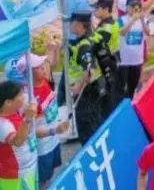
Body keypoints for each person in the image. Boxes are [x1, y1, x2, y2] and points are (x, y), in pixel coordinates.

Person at [24, 54, 67, 188]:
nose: (43, 67)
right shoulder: (28, 97)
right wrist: (54, 130)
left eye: (42, 64)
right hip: (42, 148)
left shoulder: (44, 81)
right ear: (28, 73)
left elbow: (52, 62)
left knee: (50, 176)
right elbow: (30, 130)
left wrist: (54, 49)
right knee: (43, 181)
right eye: (37, 67)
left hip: (53, 140)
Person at [66, 11, 105, 144]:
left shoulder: (84, 45)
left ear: (78, 25)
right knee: (95, 119)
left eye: (71, 23)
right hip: (97, 85)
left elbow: (88, 70)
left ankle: (90, 149)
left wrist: (77, 87)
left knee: (86, 124)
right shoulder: (93, 36)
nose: (69, 26)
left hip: (86, 90)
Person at [0, 80, 38, 190]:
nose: (24, 97)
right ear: (8, 102)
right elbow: (17, 141)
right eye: (20, 95)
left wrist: (53, 131)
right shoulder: (2, 124)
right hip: (15, 176)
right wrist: (27, 118)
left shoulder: (15, 112)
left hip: (29, 169)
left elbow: (29, 133)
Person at [118, 0, 152, 98]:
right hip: (124, 60)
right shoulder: (121, 19)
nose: (134, 8)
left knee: (132, 86)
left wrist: (141, 19)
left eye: (137, 6)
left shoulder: (144, 20)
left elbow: (148, 32)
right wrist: (133, 19)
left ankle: (130, 100)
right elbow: (122, 32)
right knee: (121, 86)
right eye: (132, 6)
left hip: (137, 60)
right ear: (127, 7)